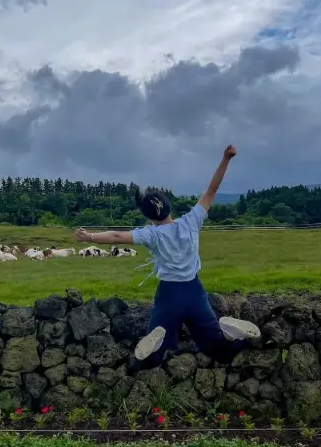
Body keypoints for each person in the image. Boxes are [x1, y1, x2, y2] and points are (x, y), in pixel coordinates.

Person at [74, 145, 260, 368]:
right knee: (217, 349)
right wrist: (226, 159)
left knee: (154, 349)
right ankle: (233, 336)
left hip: (169, 294)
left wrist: (89, 237)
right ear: (169, 206)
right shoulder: (192, 221)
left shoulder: (152, 234)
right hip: (194, 292)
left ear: (148, 217)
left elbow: (116, 236)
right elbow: (211, 190)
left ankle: (153, 350)